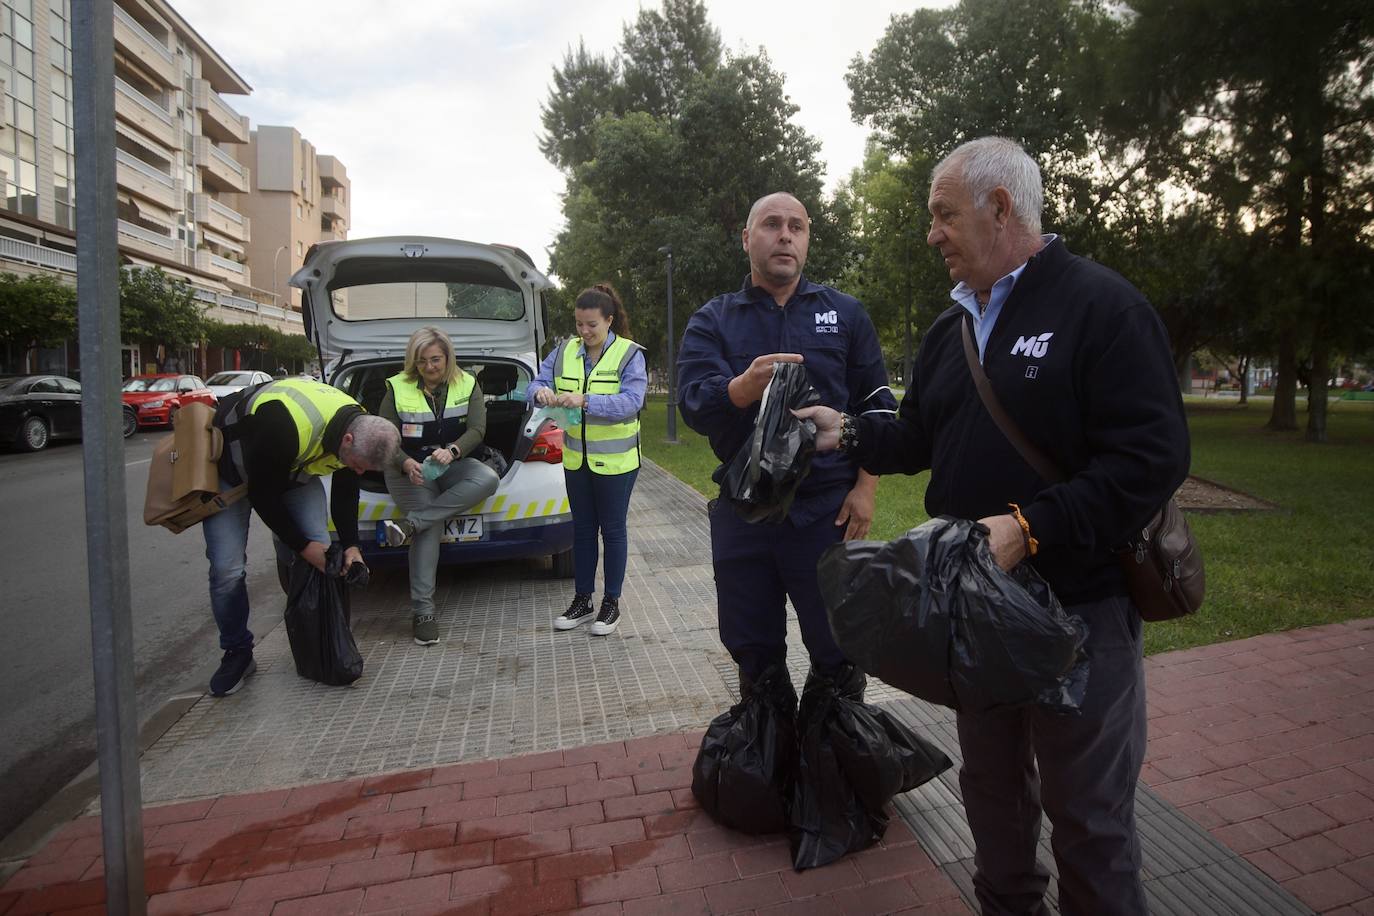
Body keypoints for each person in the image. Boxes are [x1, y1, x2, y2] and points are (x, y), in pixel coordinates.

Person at [799, 137, 1191, 915]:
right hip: (975, 612)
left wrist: (1029, 528)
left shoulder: (1102, 306)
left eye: (943, 215)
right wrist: (845, 430)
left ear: (1000, 207)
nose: (932, 233)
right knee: (993, 799)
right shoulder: (953, 330)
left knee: (1089, 819)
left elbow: (1152, 459)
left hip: (1079, 612)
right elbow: (920, 434)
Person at [676, 191, 896, 695]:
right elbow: (692, 404)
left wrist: (866, 488)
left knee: (839, 651)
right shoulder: (714, 319)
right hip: (745, 515)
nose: (785, 234)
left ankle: (835, 763)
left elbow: (878, 409)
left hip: (825, 513)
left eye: (797, 226)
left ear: (807, 238)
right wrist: (741, 388)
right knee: (754, 655)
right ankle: (767, 757)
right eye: (772, 224)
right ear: (747, 238)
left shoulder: (845, 313)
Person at [205, 377, 401, 697]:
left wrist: (352, 547)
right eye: (359, 465)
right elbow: (263, 496)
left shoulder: (358, 424)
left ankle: (319, 643)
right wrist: (304, 548)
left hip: (292, 469)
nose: (360, 472)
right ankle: (237, 652)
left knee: (322, 549)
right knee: (227, 569)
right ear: (348, 439)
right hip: (230, 471)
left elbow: (345, 490)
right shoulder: (281, 425)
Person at [527, 284, 647, 636]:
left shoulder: (629, 354)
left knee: (612, 531)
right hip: (576, 459)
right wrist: (541, 392)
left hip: (617, 463)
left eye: (591, 324)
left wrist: (586, 401)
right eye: (579, 324)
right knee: (581, 530)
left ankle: (611, 603)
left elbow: (632, 401)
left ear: (609, 320)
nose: (584, 331)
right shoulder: (565, 350)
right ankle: (583, 600)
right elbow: (534, 385)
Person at [379, 327, 501, 646]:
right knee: (430, 528)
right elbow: (385, 440)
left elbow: (477, 428)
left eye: (435, 360)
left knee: (487, 478)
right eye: (422, 362)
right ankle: (423, 612)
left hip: (451, 461)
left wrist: (453, 451)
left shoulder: (467, 382)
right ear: (413, 363)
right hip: (409, 469)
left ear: (447, 357)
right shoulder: (396, 388)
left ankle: (410, 524)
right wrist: (406, 463)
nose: (430, 367)